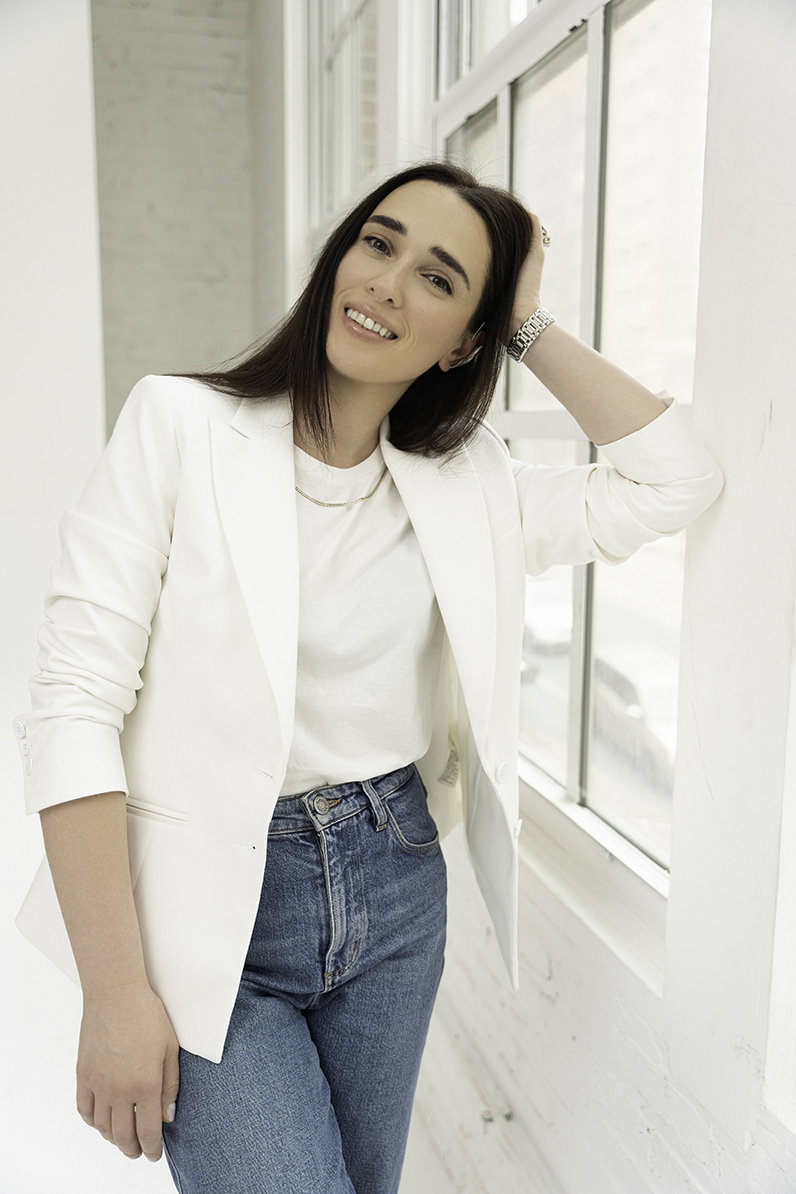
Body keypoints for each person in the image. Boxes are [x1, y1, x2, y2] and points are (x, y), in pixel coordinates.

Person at [13, 161, 723, 1194]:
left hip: (393, 890)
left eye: (439, 279)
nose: (388, 283)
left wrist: (529, 323)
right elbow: (73, 704)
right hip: (212, 902)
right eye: (379, 244)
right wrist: (115, 993)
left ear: (466, 338)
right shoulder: (178, 428)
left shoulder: (469, 484)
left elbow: (677, 476)